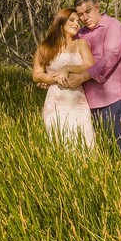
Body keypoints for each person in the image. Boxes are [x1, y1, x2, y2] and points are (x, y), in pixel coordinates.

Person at [55, 0, 121, 151]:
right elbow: (66, 58)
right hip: (84, 104)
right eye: (80, 14)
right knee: (92, 153)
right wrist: (49, 78)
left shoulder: (113, 26)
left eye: (88, 11)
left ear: (97, 7)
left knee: (115, 152)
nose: (85, 17)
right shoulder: (80, 34)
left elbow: (110, 57)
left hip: (111, 100)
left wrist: (82, 77)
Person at [32, 8, 96, 149]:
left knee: (83, 140)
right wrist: (55, 78)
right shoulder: (45, 47)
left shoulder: (80, 44)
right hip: (55, 99)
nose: (76, 24)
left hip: (77, 99)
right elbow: (37, 75)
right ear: (60, 22)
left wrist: (67, 68)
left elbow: (90, 65)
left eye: (78, 22)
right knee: (57, 139)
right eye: (72, 20)